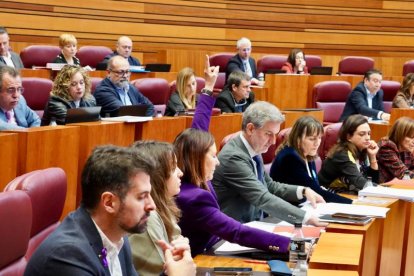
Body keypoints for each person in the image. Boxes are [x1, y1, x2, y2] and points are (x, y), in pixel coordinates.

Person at [174, 57, 291, 256]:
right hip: (204, 255)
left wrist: (209, 88)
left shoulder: (193, 161)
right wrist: (292, 244)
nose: (217, 161)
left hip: (218, 244)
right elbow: (237, 232)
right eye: (213, 155)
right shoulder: (193, 197)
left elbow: (198, 129)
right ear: (198, 159)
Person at [25, 145, 196, 276]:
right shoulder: (68, 257)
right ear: (109, 202)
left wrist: (170, 270)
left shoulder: (117, 236)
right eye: (142, 196)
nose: (151, 205)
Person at [213, 101, 327, 226]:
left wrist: (303, 191)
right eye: (268, 134)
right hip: (233, 232)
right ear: (250, 129)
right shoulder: (233, 157)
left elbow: (269, 185)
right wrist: (306, 218)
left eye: (275, 135)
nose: (273, 142)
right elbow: (262, 198)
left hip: (256, 225)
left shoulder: (254, 149)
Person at [129, 141, 191, 275]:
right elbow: (161, 271)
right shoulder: (147, 216)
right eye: (174, 168)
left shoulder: (165, 206)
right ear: (158, 177)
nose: (180, 173)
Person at [270, 116, 352, 204]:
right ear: (298, 139)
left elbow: (316, 188)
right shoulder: (290, 158)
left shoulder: (307, 154)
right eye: (312, 139)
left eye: (319, 138)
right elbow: (316, 192)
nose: (317, 143)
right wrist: (352, 203)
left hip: (304, 206)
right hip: (286, 211)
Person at [318, 114, 380, 193]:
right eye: (362, 134)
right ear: (349, 137)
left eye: (369, 133)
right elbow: (360, 182)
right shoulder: (341, 154)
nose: (368, 138)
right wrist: (383, 190)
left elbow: (369, 181)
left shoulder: (362, 150)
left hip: (348, 193)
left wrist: (372, 157)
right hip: (327, 195)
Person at [0, 66, 40, 130]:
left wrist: (30, 138)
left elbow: (36, 120)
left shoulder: (20, 100)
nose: (16, 95)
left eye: (19, 89)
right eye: (10, 90)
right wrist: (26, 134)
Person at [377, 117, 414, 182]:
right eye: (411, 137)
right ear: (400, 134)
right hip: (382, 188)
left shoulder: (406, 149)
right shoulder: (387, 146)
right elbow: (403, 174)